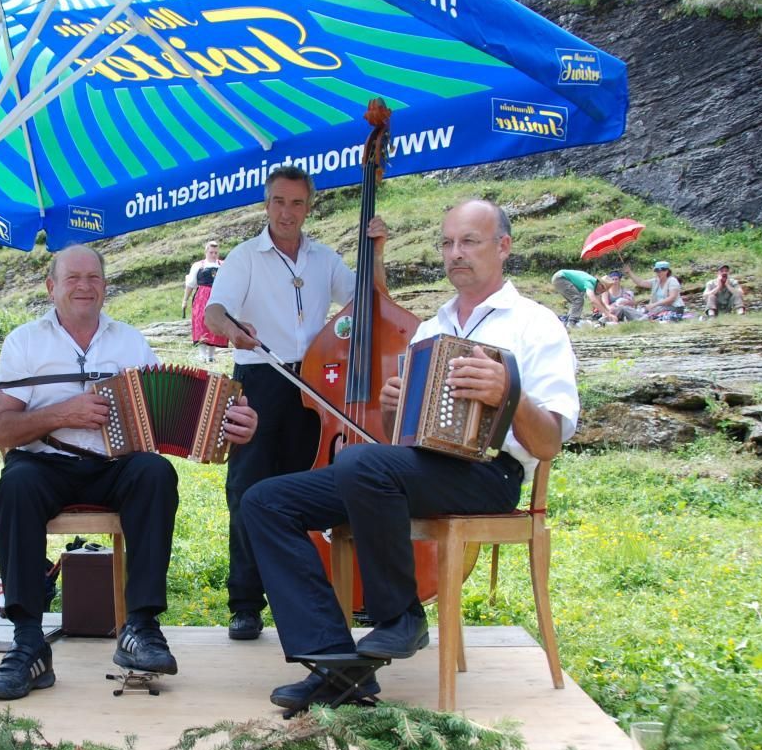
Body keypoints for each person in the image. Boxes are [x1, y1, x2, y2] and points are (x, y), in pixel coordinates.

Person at [243, 199, 579, 712]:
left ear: (503, 247)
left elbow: (550, 441)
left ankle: (400, 617)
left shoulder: (536, 324)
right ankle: (334, 663)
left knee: (359, 463)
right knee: (266, 501)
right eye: (447, 243)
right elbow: (398, 438)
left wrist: (508, 393)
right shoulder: (430, 328)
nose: (455, 253)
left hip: (489, 475)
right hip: (419, 468)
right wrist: (392, 409)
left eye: (469, 241)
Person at [0, 244, 258, 700]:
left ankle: (141, 627)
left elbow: (170, 413)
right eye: (73, 278)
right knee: (14, 484)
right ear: (51, 287)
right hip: (43, 464)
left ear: (105, 287)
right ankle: (28, 641)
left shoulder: (130, 342)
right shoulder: (25, 342)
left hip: (113, 466)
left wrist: (231, 425)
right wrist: (62, 413)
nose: (84, 286)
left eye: (93, 277)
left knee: (154, 473)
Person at [202, 166, 357, 642]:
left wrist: (377, 252)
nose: (286, 212)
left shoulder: (325, 259)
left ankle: (304, 600)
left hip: (312, 383)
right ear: (266, 204)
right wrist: (233, 331)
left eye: (296, 203)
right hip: (258, 379)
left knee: (305, 489)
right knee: (246, 487)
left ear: (309, 207)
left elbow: (365, 300)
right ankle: (245, 604)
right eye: (278, 202)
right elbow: (215, 311)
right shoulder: (245, 257)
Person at [183, 240, 227, 364]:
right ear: (206, 252)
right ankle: (202, 355)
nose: (214, 255)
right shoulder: (198, 265)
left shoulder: (223, 265)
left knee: (216, 322)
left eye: (216, 253)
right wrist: (185, 300)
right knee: (201, 323)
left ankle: (211, 356)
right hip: (202, 296)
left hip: (218, 296)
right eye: (211, 252)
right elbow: (190, 284)